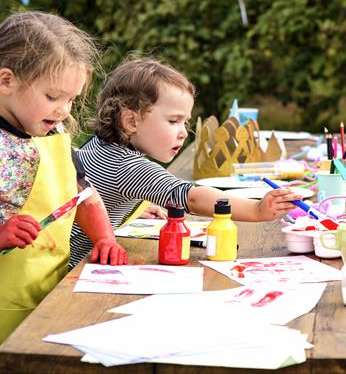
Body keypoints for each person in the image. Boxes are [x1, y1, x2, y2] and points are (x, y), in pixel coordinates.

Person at [69, 58, 301, 269]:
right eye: (173, 121)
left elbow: (106, 187)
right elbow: (191, 197)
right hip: (70, 273)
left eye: (185, 122)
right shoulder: (127, 167)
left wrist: (134, 206)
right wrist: (256, 209)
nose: (183, 133)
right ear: (131, 121)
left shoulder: (100, 147)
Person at [0, 11, 127, 343]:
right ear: (6, 81)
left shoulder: (53, 134)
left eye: (71, 99)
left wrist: (105, 240)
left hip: (48, 296)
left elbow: (83, 194)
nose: (64, 110)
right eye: (52, 97)